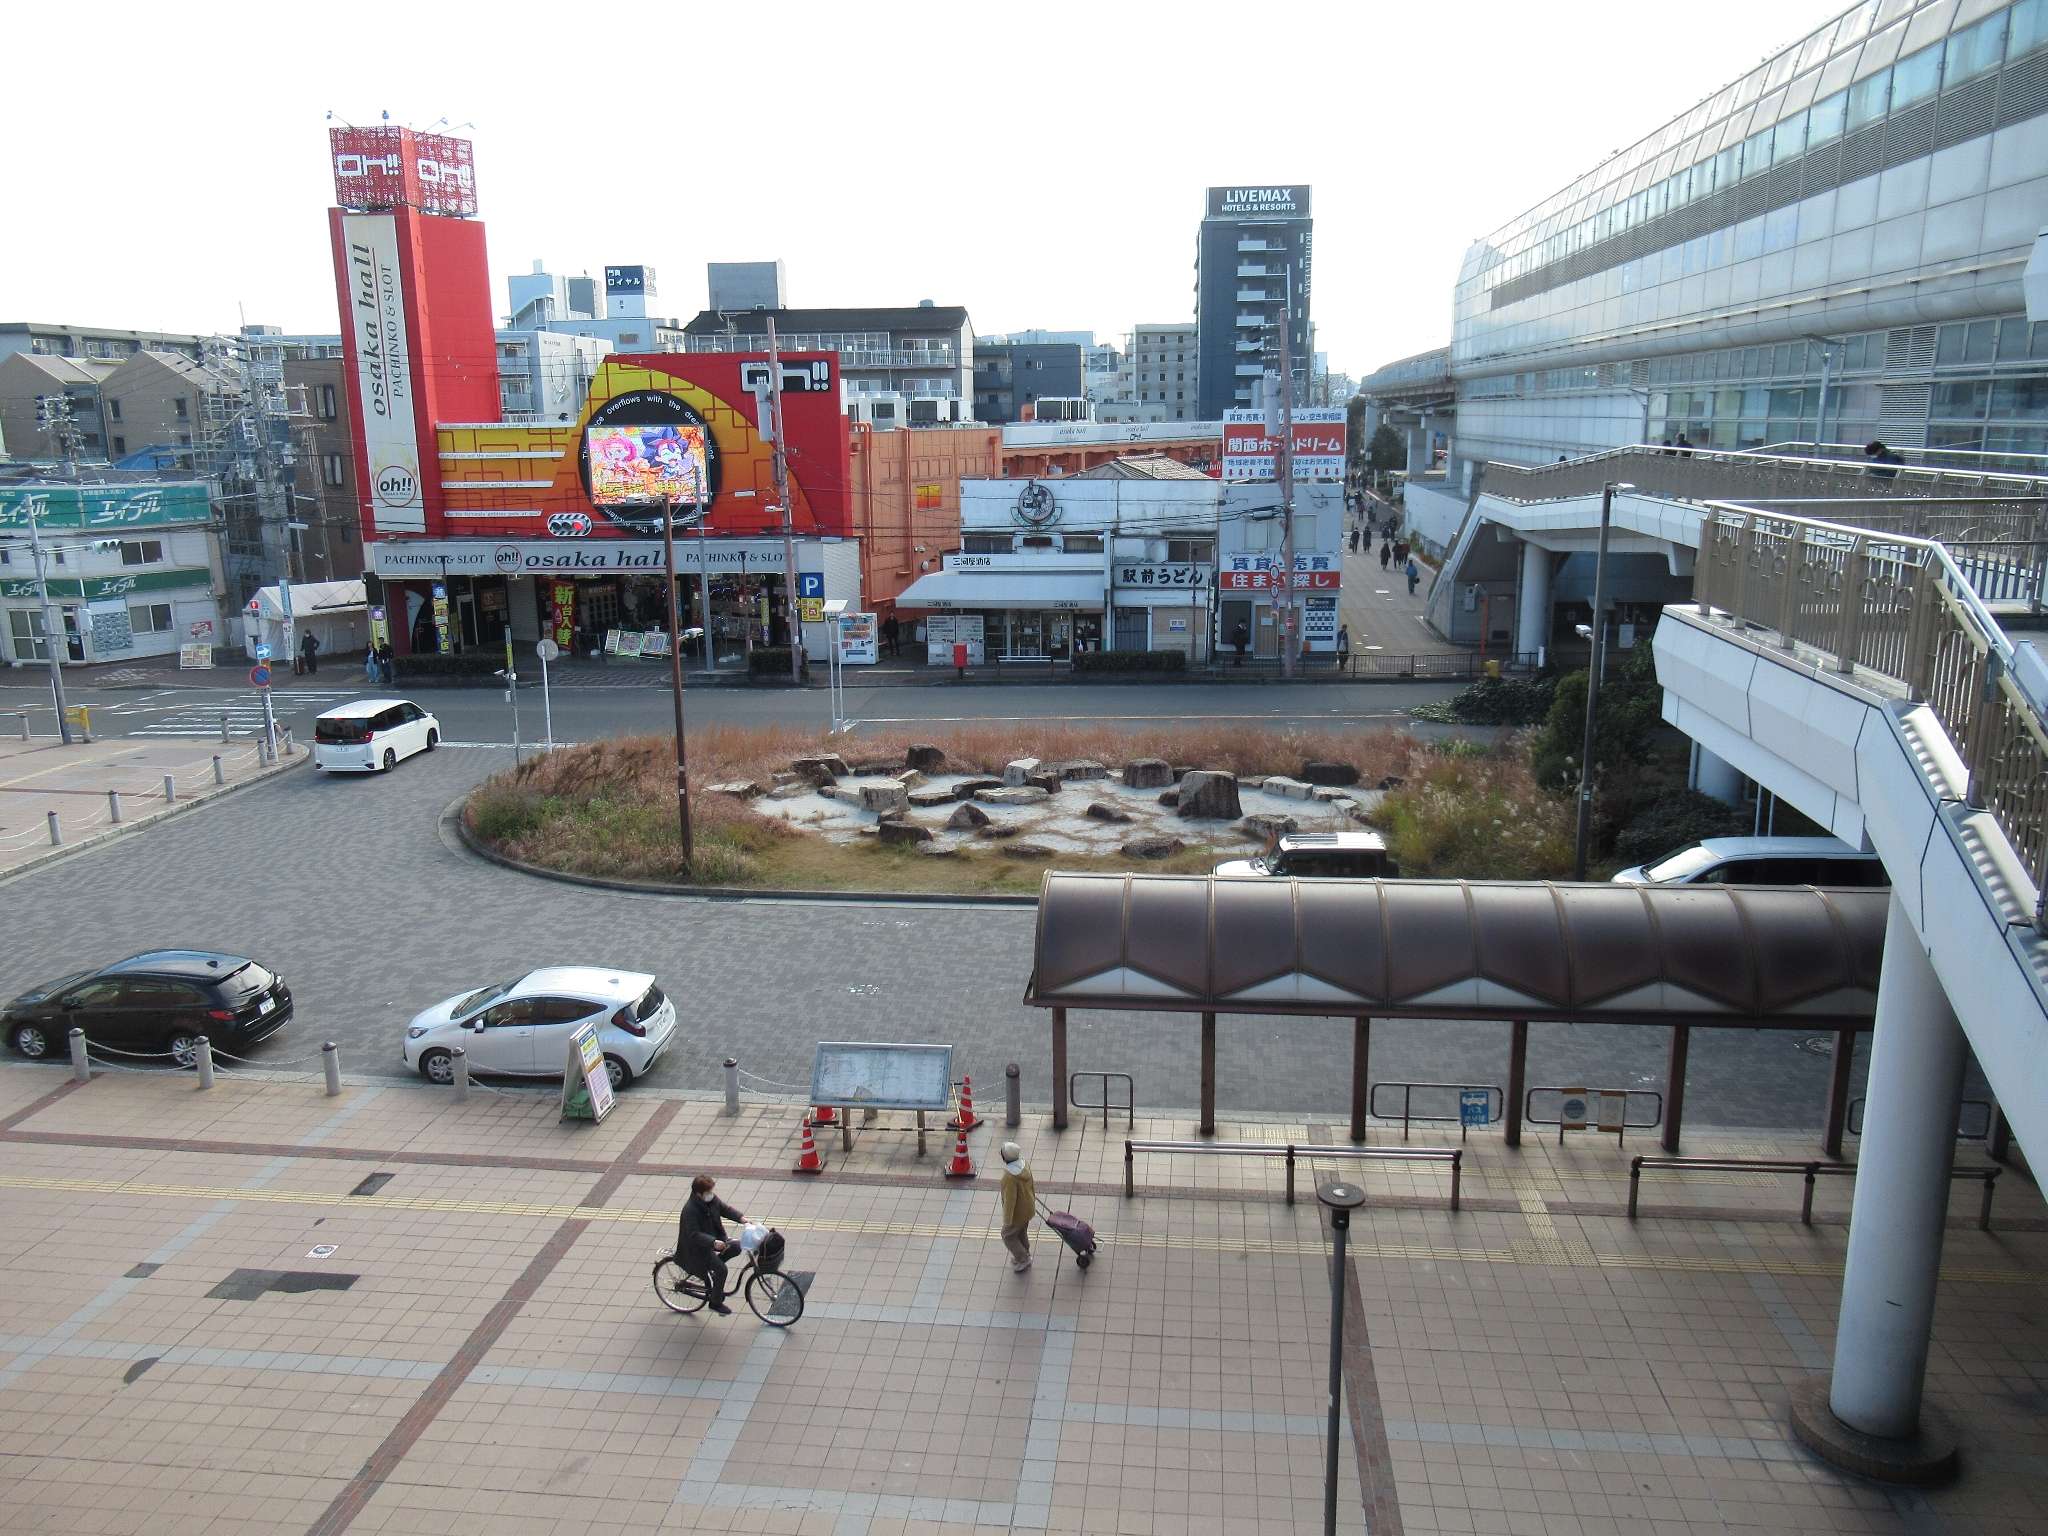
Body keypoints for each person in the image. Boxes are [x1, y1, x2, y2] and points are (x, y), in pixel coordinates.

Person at [677, 1174, 747, 1315]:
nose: (711, 1194)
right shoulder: (690, 1210)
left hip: (714, 1241)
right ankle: (715, 1303)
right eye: (708, 1192)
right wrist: (713, 1242)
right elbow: (694, 1235)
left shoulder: (711, 1200)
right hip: (697, 1249)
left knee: (737, 1246)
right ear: (699, 1193)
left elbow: (725, 1209)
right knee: (722, 1270)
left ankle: (713, 1270)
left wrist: (741, 1218)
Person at [998, 1142, 1036, 1273]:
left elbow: (1010, 1200)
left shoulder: (1009, 1176)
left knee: (1007, 1235)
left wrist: (1007, 1220)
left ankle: (1023, 1258)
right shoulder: (1025, 1165)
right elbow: (1032, 1185)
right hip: (1028, 1207)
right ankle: (1026, 1253)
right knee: (1021, 1232)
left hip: (1017, 1213)